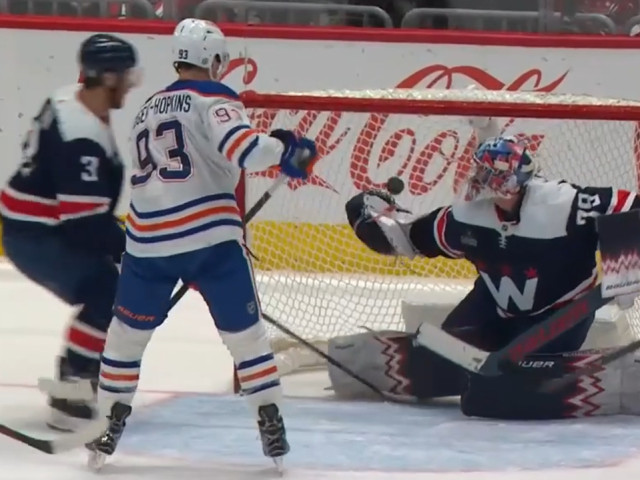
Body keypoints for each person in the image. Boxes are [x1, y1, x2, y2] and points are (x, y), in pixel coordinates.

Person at [86, 19, 316, 470]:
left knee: (125, 339)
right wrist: (286, 151)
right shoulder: (215, 96)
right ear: (213, 59)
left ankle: (106, 426)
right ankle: (270, 422)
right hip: (210, 240)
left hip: (147, 243)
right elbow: (245, 150)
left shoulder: (146, 107)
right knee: (246, 340)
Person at [341, 125, 640, 420]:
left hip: (558, 314)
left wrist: (627, 264)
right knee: (434, 363)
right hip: (491, 306)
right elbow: (412, 238)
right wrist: (377, 224)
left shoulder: (560, 205)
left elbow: (631, 207)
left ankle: (626, 378)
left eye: (493, 176)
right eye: (482, 174)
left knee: (503, 391)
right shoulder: (466, 214)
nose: (484, 184)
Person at [0, 34, 138, 431]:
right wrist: (137, 251)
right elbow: (84, 226)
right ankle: (71, 386)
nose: (131, 83)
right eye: (126, 76)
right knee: (106, 291)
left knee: (109, 287)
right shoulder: (82, 140)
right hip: (35, 236)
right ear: (108, 78)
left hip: (34, 224)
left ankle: (81, 373)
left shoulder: (67, 99)